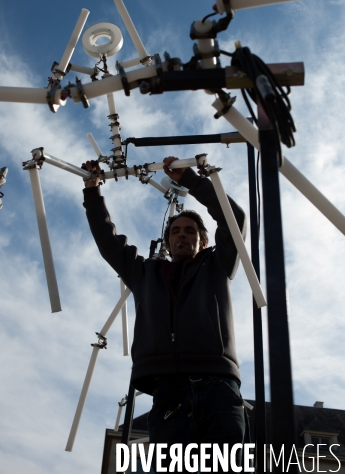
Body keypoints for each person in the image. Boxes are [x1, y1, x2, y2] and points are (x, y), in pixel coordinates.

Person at [82, 156, 247, 472]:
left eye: (189, 231)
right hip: (168, 392)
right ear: (168, 241)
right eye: (176, 232)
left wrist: (193, 182)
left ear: (203, 240)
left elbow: (234, 218)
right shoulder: (145, 273)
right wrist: (92, 191)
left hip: (218, 388)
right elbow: (108, 241)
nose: (181, 235)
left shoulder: (217, 265)